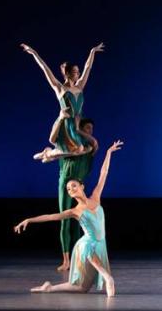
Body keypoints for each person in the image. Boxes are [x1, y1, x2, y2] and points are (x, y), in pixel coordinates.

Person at [21, 42, 104, 271]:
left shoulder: (80, 88)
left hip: (76, 132)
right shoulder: (60, 89)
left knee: (78, 214)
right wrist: (35, 53)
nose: (78, 75)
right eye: (75, 73)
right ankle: (66, 259)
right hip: (65, 131)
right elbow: (45, 71)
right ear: (67, 74)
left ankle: (48, 155)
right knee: (63, 214)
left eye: (79, 73)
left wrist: (91, 53)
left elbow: (89, 70)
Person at [14, 140, 124, 297]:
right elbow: (51, 216)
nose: (70, 189)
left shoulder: (96, 197)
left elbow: (103, 173)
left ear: (81, 186)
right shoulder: (75, 211)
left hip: (100, 244)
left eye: (73, 186)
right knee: (88, 247)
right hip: (87, 246)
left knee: (82, 288)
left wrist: (108, 152)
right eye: (68, 189)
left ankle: (49, 288)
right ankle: (108, 277)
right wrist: (29, 220)